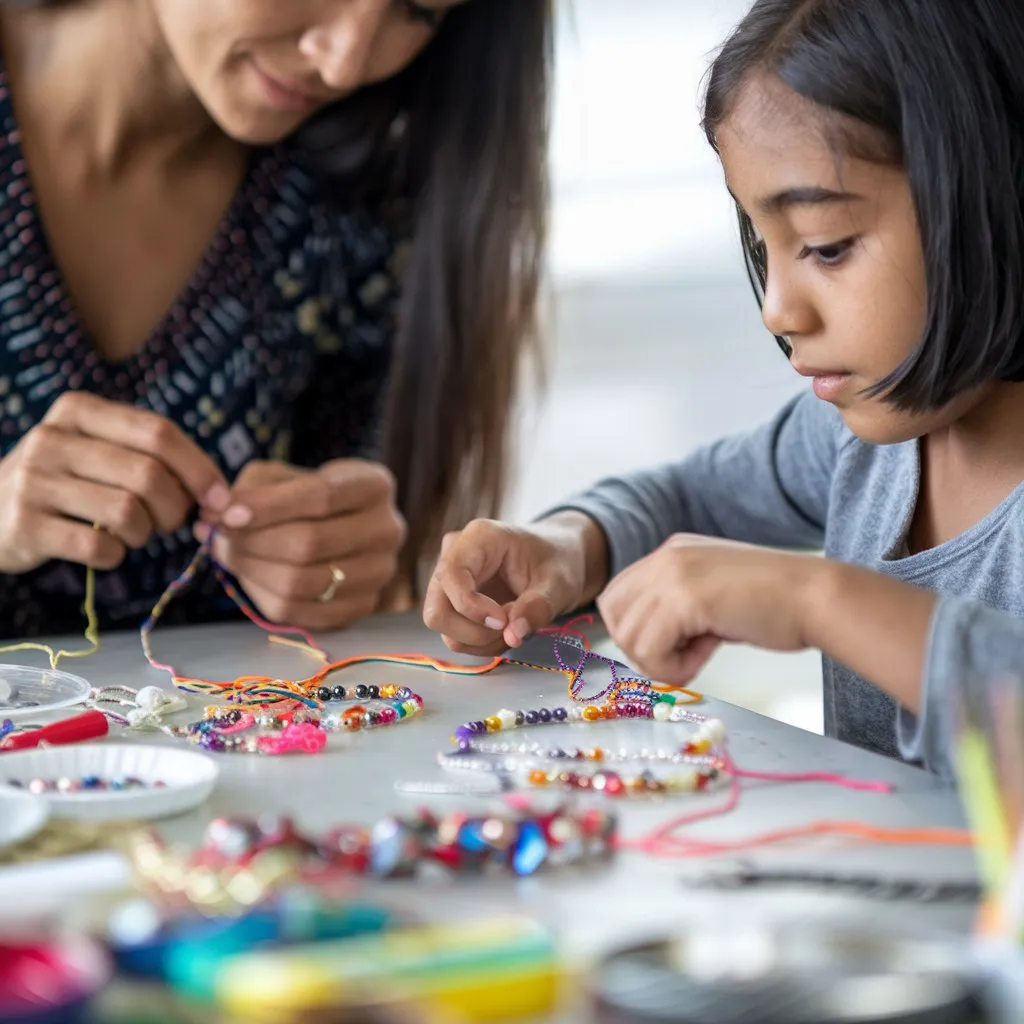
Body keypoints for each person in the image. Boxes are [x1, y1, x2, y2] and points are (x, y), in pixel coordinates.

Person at [424, 0, 1024, 780]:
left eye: (826, 246)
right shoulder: (860, 442)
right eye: (764, 245)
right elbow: (690, 500)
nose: (778, 307)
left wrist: (820, 601)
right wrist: (570, 549)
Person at [0, 0, 551, 638]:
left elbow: (358, 608)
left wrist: (340, 566)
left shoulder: (354, 205)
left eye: (418, 14)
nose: (345, 63)